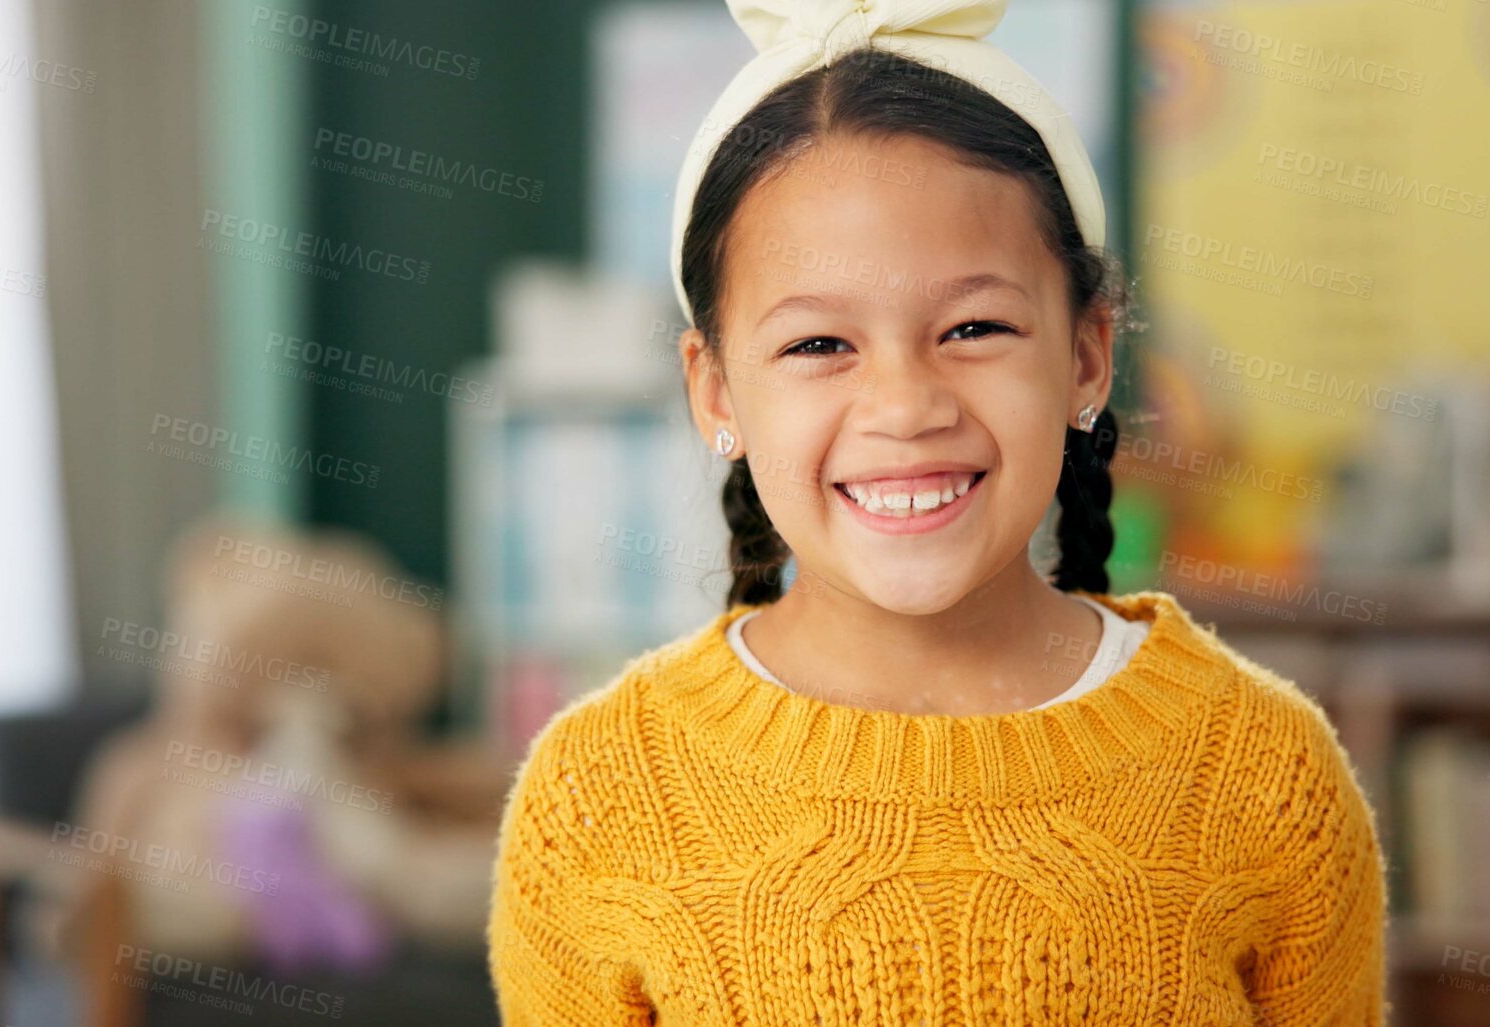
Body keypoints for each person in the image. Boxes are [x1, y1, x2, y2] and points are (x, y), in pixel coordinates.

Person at [488, 1, 1387, 1022]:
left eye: (973, 326)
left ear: (1088, 353)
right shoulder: (598, 794)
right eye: (820, 345)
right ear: (717, 392)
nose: (906, 407)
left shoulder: (1266, 773)